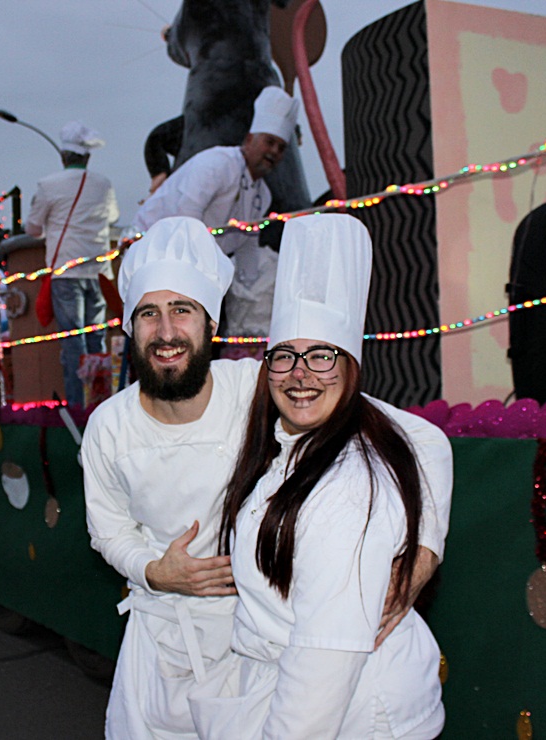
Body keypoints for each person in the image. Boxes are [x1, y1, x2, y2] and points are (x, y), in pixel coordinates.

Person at [82, 217, 451, 739]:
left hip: (248, 632)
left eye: (182, 310)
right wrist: (151, 570)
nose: (166, 333)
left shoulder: (262, 386)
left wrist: (422, 552)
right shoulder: (108, 427)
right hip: (159, 641)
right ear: (129, 327)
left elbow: (423, 441)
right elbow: (109, 529)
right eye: (149, 314)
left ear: (210, 322)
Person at [191, 215, 449, 739]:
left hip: (353, 710)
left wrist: (422, 549)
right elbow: (427, 440)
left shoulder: (347, 491)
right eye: (284, 356)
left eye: (321, 355)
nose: (300, 373)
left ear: (350, 367)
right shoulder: (290, 443)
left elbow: (322, 670)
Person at [132, 86, 299, 339]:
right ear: (249, 140)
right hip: (151, 255)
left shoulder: (262, 195)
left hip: (199, 273)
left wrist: (253, 293)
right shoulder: (217, 163)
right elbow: (184, 221)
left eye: (280, 147)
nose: (274, 151)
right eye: (269, 142)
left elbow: (247, 251)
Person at [25, 120, 120, 407]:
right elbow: (113, 217)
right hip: (99, 271)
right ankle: (102, 404)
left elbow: (32, 229)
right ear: (87, 156)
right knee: (97, 342)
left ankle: (78, 408)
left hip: (67, 270)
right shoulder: (104, 184)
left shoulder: (48, 185)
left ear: (63, 156)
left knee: (73, 345)